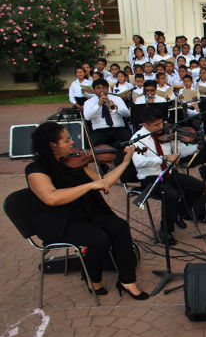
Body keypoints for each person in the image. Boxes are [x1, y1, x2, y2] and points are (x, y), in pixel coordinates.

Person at [26, 122, 149, 300]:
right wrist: (90, 185)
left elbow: (105, 182)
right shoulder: (35, 170)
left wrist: (125, 162)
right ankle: (92, 278)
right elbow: (51, 198)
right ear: (53, 145)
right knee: (99, 239)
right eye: (67, 139)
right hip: (58, 220)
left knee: (120, 227)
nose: (72, 142)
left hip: (87, 212)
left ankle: (127, 280)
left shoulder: (75, 162)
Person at [131, 107, 206, 244]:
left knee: (198, 186)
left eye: (162, 123)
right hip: (151, 178)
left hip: (169, 174)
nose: (161, 127)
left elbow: (181, 151)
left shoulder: (167, 133)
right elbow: (139, 163)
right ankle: (166, 230)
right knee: (171, 195)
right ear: (145, 125)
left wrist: (198, 147)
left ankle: (178, 212)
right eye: (156, 125)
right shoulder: (138, 139)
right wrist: (164, 158)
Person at [83, 79, 132, 156]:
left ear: (108, 88)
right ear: (94, 90)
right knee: (93, 143)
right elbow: (87, 117)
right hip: (100, 131)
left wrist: (114, 107)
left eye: (104, 88)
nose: (101, 90)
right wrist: (98, 105)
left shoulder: (117, 99)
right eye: (98, 88)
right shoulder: (89, 102)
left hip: (118, 130)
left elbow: (127, 114)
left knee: (129, 139)